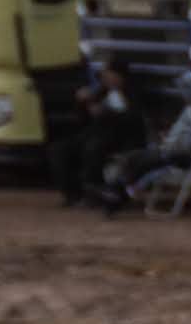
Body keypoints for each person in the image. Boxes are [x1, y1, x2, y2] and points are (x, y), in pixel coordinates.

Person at [93, 69, 191, 216]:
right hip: (173, 151)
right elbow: (179, 133)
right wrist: (169, 138)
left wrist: (186, 144)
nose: (185, 92)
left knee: (151, 162)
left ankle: (118, 195)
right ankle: (117, 191)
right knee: (133, 158)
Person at [60, 52, 143, 210]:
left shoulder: (132, 92)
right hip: (97, 132)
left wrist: (106, 113)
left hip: (121, 136)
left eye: (108, 74)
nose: (105, 77)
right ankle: (73, 194)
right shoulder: (102, 91)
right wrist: (82, 102)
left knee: (93, 149)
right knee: (61, 149)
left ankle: (94, 193)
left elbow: (132, 119)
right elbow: (83, 118)